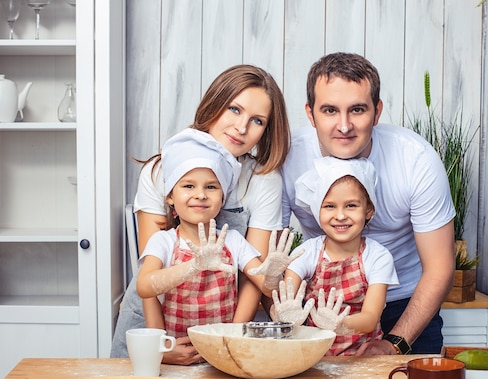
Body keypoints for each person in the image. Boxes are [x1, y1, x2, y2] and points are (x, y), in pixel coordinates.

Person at [111, 64, 291, 363]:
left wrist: (227, 339)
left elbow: (253, 277)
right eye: (234, 109)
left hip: (225, 325)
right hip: (152, 323)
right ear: (214, 103)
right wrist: (160, 346)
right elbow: (152, 275)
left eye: (257, 120)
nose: (242, 127)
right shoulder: (159, 170)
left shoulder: (263, 179)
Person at [281, 52, 456, 355]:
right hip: (322, 308)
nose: (344, 125)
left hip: (405, 305)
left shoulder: (415, 159)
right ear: (310, 115)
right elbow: (269, 258)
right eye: (330, 110)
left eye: (358, 110)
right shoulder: (287, 159)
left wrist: (395, 343)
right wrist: (288, 319)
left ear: (377, 112)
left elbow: (439, 267)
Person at [135, 129, 298, 339]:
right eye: (188, 186)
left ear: (222, 199)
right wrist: (193, 266)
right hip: (177, 347)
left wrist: (273, 277)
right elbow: (145, 287)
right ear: (170, 197)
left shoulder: (233, 241)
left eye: (211, 187)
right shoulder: (163, 241)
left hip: (220, 348)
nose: (201, 194)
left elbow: (264, 288)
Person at [272, 157, 399, 356]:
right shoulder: (308, 252)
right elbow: (283, 304)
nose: (340, 216)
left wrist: (339, 324)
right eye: (329, 206)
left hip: (361, 358)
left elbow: (369, 319)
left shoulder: (378, 256)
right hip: (313, 357)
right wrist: (284, 314)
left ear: (368, 210)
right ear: (317, 210)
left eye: (351, 206)